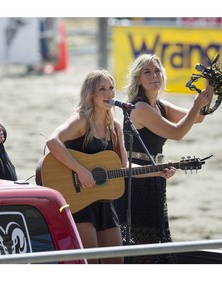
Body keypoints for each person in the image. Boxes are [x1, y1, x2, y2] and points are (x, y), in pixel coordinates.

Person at [45, 70, 175, 264]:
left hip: (104, 200)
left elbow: (123, 166)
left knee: (115, 262)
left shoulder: (115, 126)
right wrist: (81, 171)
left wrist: (157, 170)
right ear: (91, 94)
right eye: (102, 89)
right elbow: (53, 142)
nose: (109, 94)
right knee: (91, 262)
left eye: (111, 88)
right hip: (79, 201)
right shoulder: (80, 119)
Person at [114, 53, 214, 264]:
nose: (153, 76)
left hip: (155, 175)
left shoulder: (160, 105)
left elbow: (198, 118)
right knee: (143, 241)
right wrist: (196, 105)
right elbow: (177, 133)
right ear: (138, 79)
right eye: (147, 72)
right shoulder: (139, 107)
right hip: (136, 179)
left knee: (153, 237)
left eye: (157, 70)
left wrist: (211, 86)